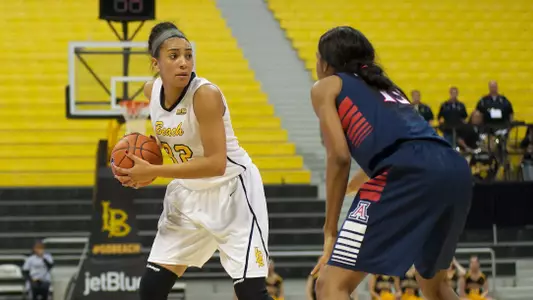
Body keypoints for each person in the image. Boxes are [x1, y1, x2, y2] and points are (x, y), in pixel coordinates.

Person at [309, 26, 472, 300]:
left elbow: (338, 157)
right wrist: (353, 185)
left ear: (325, 63)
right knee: (435, 285)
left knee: (329, 285)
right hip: (453, 167)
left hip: (409, 172)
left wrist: (330, 231)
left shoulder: (326, 86)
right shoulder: (387, 88)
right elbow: (400, 145)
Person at [113, 22, 271, 300]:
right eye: (174, 56)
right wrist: (140, 170)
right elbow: (169, 146)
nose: (184, 62)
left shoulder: (205, 95)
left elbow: (216, 163)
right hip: (188, 196)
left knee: (250, 294)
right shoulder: (151, 93)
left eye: (188, 55)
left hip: (232, 192)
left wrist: (154, 170)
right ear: (156, 63)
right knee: (151, 290)